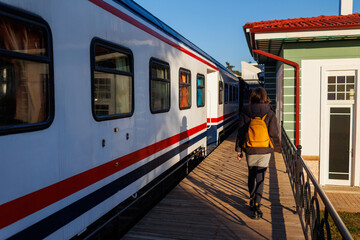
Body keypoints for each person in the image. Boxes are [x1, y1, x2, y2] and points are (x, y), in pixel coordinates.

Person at [235, 87, 280, 220]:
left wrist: (239, 151)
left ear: (252, 97)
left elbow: (241, 133)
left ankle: (251, 198)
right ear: (264, 97)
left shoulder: (245, 111)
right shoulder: (270, 112)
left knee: (251, 174)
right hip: (265, 150)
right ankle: (257, 206)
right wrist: (277, 148)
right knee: (261, 177)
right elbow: (274, 133)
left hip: (250, 149)